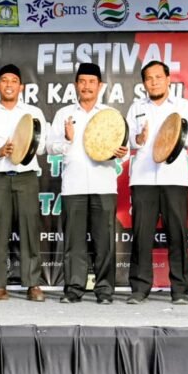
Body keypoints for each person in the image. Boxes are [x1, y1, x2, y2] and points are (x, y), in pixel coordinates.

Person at [46, 62, 128, 304]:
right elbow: (50, 146)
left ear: (100, 86)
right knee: (74, 243)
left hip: (104, 186)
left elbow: (126, 149)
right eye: (82, 82)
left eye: (92, 82)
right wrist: (67, 139)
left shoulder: (110, 115)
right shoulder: (64, 114)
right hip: (74, 187)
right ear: (75, 85)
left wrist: (121, 151)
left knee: (105, 242)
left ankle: (104, 290)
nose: (86, 86)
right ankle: (74, 288)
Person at [124, 60, 188, 305]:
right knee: (141, 235)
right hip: (143, 179)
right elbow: (127, 144)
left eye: (159, 77)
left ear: (168, 79)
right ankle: (139, 288)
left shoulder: (184, 106)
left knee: (176, 234)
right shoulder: (136, 107)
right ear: (144, 83)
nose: (154, 81)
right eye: (149, 78)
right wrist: (139, 138)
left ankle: (179, 289)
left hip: (174, 179)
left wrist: (180, 136)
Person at [0, 64, 48, 302]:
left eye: (13, 81)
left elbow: (43, 145)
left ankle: (33, 284)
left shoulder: (34, 113)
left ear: (21, 87)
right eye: (4, 80)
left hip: (26, 177)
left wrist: (27, 146)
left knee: (29, 230)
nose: (8, 85)